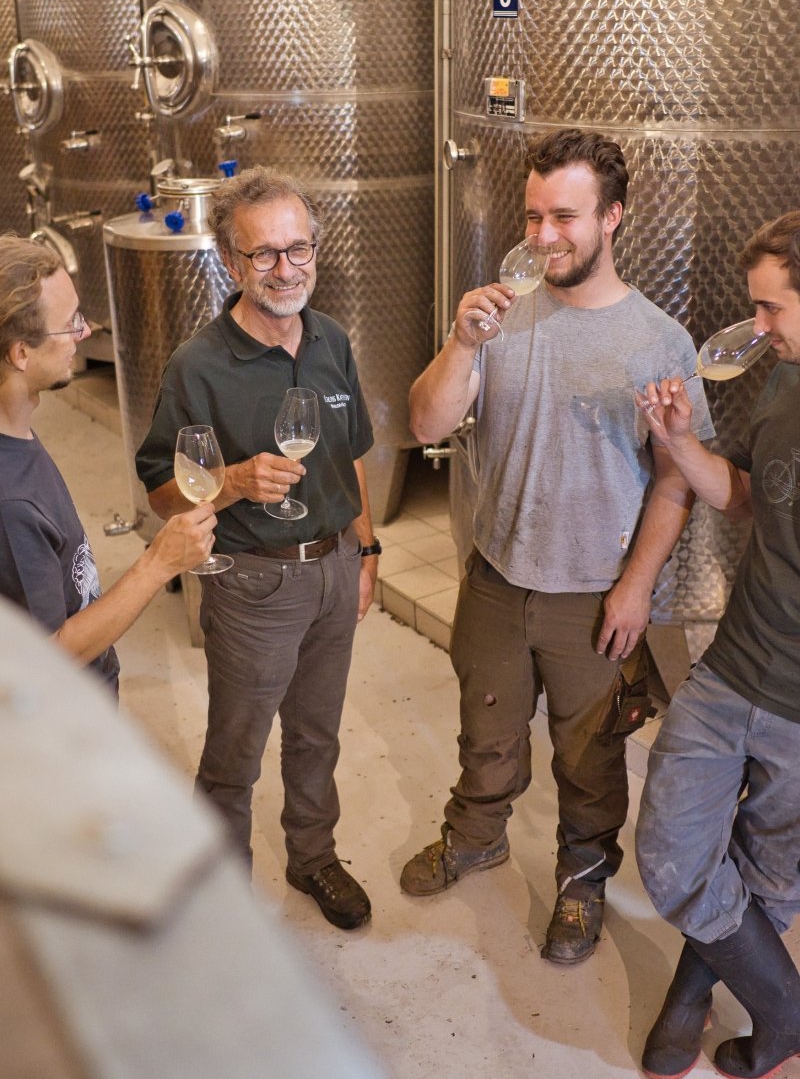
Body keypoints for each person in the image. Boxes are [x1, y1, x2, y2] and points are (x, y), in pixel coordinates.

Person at [400, 127, 714, 965]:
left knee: (591, 754)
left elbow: (676, 481)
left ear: (614, 217)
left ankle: (582, 879)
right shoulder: (499, 318)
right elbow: (424, 422)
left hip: (594, 591)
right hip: (498, 577)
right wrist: (461, 342)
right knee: (486, 730)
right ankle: (477, 836)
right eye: (534, 216)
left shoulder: (659, 341)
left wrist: (637, 587)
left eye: (565, 218)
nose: (544, 237)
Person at [135, 166, 380, 931]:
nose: (286, 269)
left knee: (317, 734)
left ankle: (313, 858)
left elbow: (355, 457)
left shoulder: (333, 339)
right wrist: (233, 482)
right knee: (235, 754)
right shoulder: (198, 366)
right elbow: (159, 493)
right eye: (264, 254)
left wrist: (365, 554)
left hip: (335, 569)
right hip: (253, 584)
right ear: (232, 264)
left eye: (297, 248)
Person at [634, 211, 800, 1079]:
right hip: (737, 661)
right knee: (669, 850)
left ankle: (689, 1000)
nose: (759, 329)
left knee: (770, 875)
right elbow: (742, 498)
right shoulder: (783, 379)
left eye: (771, 309)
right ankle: (787, 1011)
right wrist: (679, 445)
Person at [0, 234, 215, 697]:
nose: (85, 330)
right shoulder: (8, 501)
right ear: (20, 353)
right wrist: (159, 563)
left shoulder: (16, 430)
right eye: (70, 323)